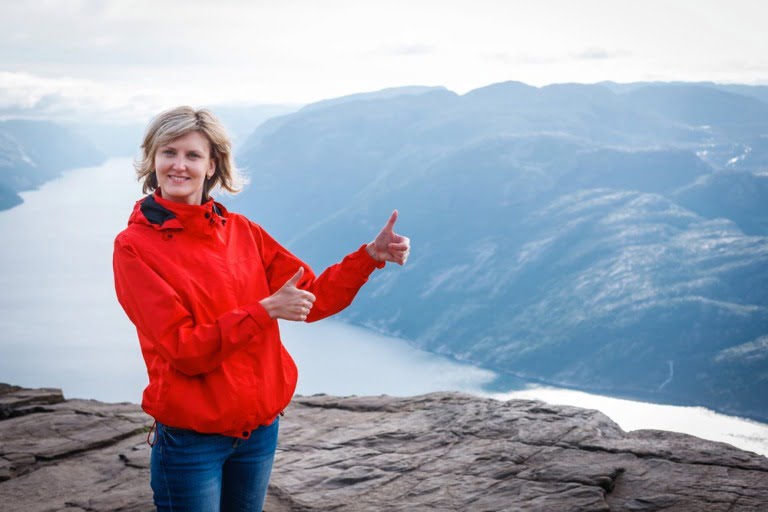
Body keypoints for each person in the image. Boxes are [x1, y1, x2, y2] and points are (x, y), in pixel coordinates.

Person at [112, 106, 410, 511]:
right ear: (152, 160)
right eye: (168, 152)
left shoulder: (242, 232)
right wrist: (265, 309)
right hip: (192, 439)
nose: (179, 165)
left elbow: (313, 300)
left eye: (193, 155)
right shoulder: (134, 247)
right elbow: (185, 350)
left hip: (259, 430)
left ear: (212, 165)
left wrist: (369, 257)